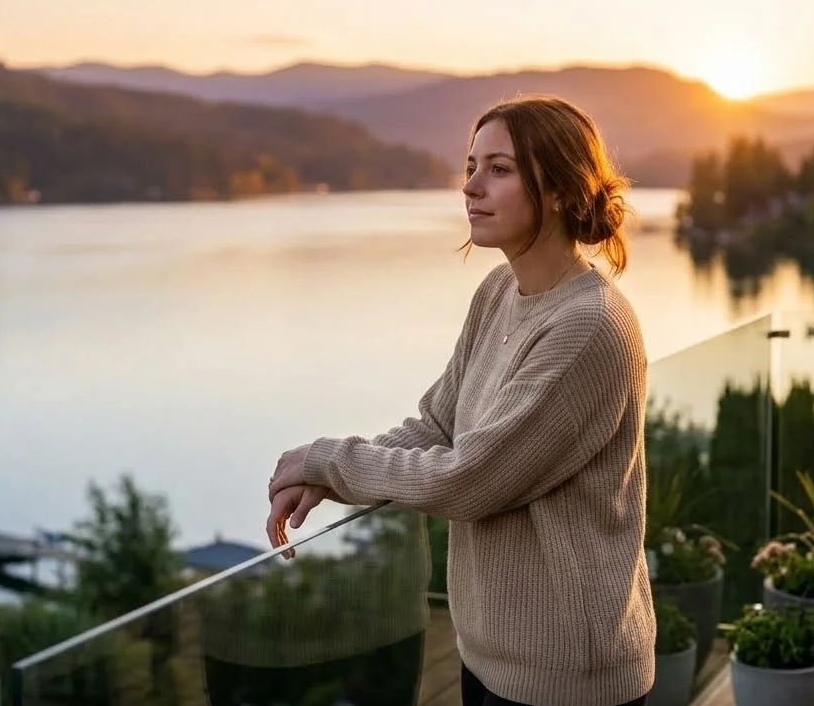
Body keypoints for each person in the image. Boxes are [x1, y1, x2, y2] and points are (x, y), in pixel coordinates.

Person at [265, 94, 655, 706]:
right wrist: (325, 476)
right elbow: (439, 425)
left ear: (559, 190)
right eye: (471, 166)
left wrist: (332, 460)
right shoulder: (499, 290)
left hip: (566, 673)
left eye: (499, 169)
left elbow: (469, 479)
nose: (470, 186)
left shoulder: (590, 326)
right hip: (488, 652)